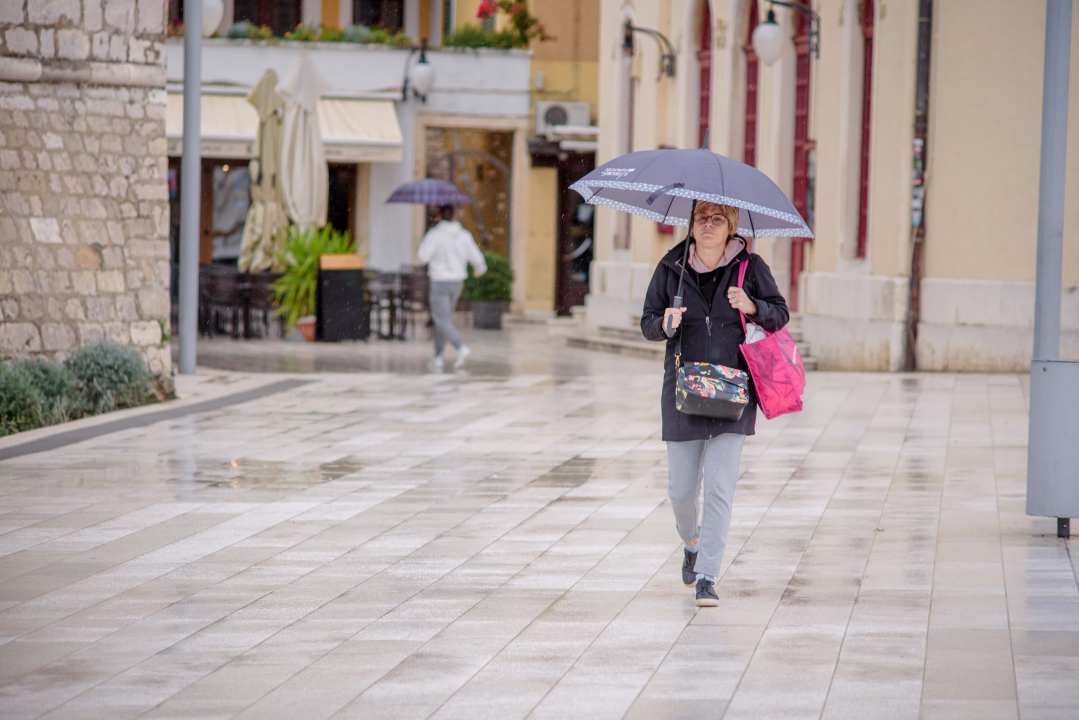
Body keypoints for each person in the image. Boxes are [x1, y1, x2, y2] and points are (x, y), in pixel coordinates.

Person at [641, 201, 789, 607]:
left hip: (734, 392)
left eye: (717, 219)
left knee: (720, 490)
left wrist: (753, 306)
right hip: (684, 391)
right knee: (681, 491)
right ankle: (691, 541)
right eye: (701, 218)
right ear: (690, 223)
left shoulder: (750, 268)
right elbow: (647, 322)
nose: (708, 225)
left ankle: (706, 575)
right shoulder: (672, 267)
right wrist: (665, 323)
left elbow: (780, 314)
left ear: (731, 227)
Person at [417, 205, 487, 371]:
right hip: (457, 282)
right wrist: (480, 270)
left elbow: (422, 257)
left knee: (440, 319)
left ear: (439, 217)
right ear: (455, 216)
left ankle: (460, 347)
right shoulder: (464, 236)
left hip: (440, 281)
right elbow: (477, 258)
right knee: (444, 319)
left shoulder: (434, 235)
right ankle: (437, 356)